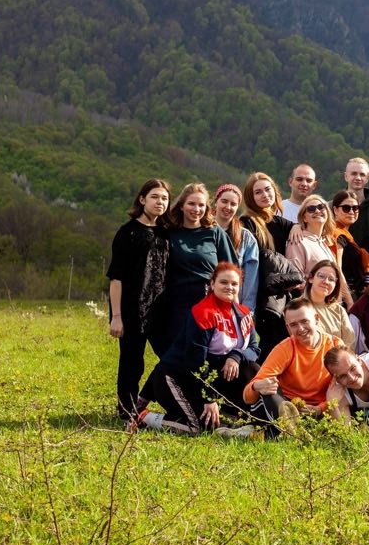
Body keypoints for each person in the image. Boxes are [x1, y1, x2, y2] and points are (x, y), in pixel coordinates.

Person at [131, 263, 280, 437]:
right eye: (223, 282)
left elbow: (254, 349)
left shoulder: (244, 313)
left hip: (208, 378)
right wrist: (209, 398)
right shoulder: (203, 312)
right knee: (198, 428)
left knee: (251, 368)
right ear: (212, 284)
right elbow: (195, 362)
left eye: (234, 284)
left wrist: (235, 356)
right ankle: (145, 418)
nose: (229, 287)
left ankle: (263, 417)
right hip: (177, 377)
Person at [107, 178, 171, 420]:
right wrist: (116, 317)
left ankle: (146, 398)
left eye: (164, 198)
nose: (160, 202)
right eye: (155, 197)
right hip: (131, 310)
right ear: (142, 199)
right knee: (132, 363)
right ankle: (126, 410)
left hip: (161, 311)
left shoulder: (167, 233)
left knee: (171, 357)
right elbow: (116, 278)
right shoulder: (128, 232)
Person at [162, 182, 236, 345]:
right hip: (178, 306)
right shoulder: (169, 233)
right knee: (180, 353)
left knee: (211, 352)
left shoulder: (215, 232)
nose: (196, 209)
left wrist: (234, 308)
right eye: (191, 204)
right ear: (181, 206)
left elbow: (232, 272)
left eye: (201, 205)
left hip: (211, 304)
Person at [240, 172, 301, 355]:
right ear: (251, 197)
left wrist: (298, 226)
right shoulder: (247, 223)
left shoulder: (279, 221)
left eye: (268, 190)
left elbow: (301, 228)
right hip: (263, 298)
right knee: (272, 347)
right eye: (258, 192)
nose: (265, 195)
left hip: (283, 295)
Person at [249, 298, 340, 415]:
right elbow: (248, 396)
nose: (301, 328)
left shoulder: (334, 345)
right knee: (268, 392)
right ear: (288, 328)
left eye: (304, 321)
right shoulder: (284, 349)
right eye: (293, 325)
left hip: (324, 409)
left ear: (316, 319)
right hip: (289, 408)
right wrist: (256, 386)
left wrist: (320, 409)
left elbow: (343, 386)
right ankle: (291, 424)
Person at [213, 183, 259, 312]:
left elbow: (251, 280)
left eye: (233, 204)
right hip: (203, 305)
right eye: (224, 201)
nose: (228, 207)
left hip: (232, 307)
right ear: (216, 202)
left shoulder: (246, 238)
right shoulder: (202, 231)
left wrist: (246, 311)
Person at [301, 259, 356, 347]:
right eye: (321, 276)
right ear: (311, 278)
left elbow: (349, 343)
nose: (326, 282)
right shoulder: (296, 307)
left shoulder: (339, 310)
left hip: (338, 355)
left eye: (331, 279)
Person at [285, 193, 338, 280]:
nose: (317, 211)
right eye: (311, 209)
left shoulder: (325, 244)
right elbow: (295, 280)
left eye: (321, 207)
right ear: (304, 218)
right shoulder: (297, 241)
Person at [330, 189, 369, 301]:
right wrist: (348, 300)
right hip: (343, 295)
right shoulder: (336, 234)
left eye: (355, 208)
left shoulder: (346, 234)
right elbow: (337, 268)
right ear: (335, 210)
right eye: (346, 208)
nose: (351, 212)